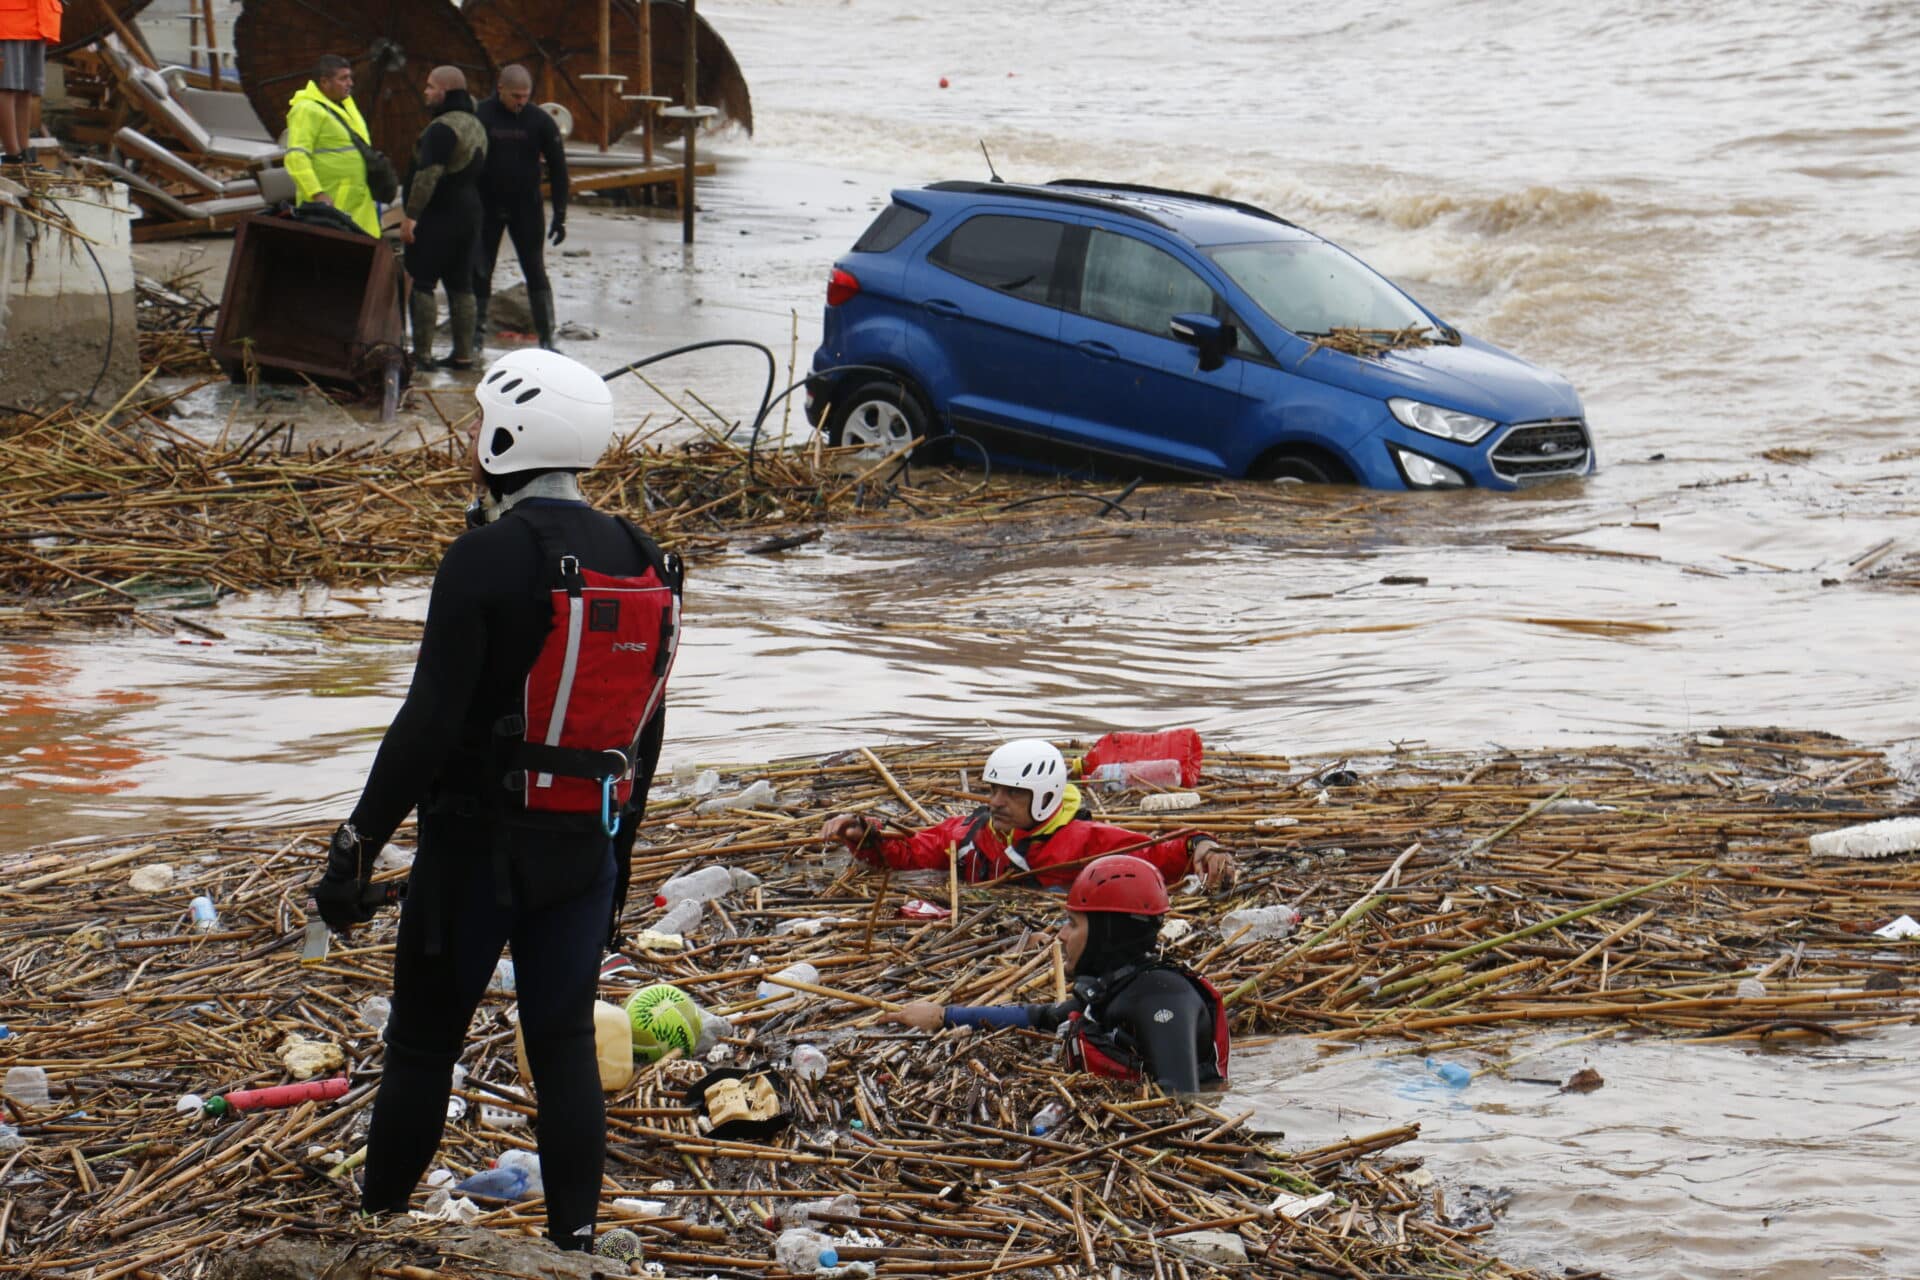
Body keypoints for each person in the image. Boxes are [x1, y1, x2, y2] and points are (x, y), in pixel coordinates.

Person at [312, 349, 683, 1251]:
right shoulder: (648, 557)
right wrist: (618, 863)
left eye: (482, 425)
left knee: (424, 1043)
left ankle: (380, 1221)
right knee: (561, 1048)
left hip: (476, 848)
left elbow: (427, 721)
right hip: (582, 850)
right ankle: (577, 1244)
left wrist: (356, 846)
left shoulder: (482, 556)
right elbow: (646, 728)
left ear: (507, 437)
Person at [884, 855, 1230, 1094]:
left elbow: (1183, 1099)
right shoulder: (1117, 989)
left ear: (1108, 935)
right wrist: (944, 1016)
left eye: (1073, 923)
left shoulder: (1161, 996)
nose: (1061, 935)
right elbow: (1043, 1017)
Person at [819, 738, 1237, 891]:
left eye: (1012, 793)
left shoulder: (1082, 842)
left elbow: (1157, 854)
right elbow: (910, 851)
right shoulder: (969, 835)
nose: (996, 802)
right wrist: (863, 834)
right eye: (993, 790)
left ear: (1043, 795)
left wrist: (1202, 848)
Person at [472, 64, 569, 352]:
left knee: (535, 269)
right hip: (487, 205)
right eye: (515, 96)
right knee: (480, 270)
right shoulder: (481, 115)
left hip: (526, 206)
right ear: (500, 88)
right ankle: (475, 338)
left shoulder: (539, 121)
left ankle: (547, 338)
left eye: (526, 96)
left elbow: (560, 169)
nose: (521, 102)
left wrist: (560, 215)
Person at [401, 66, 488, 370]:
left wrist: (411, 216)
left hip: (439, 214)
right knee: (461, 285)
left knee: (423, 282)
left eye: (430, 87)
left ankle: (422, 355)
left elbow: (427, 176)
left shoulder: (441, 128)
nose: (425, 91)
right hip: (470, 213)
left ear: (445, 92)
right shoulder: (475, 124)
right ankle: (463, 354)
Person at [283, 55, 380, 237]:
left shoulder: (343, 107)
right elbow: (296, 157)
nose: (350, 83)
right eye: (343, 78)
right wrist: (317, 194)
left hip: (356, 202)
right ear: (325, 82)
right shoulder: (307, 110)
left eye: (350, 78)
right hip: (332, 204)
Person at [0, 0, 59, 167]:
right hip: (8, 18)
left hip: (39, 19)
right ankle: (13, 155)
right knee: (7, 86)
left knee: (27, 89)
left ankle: (24, 153)